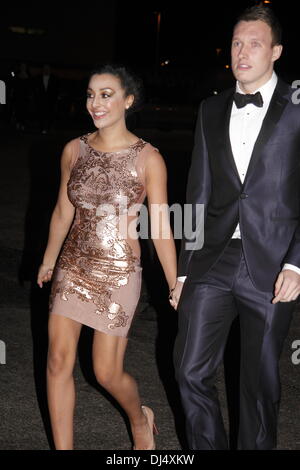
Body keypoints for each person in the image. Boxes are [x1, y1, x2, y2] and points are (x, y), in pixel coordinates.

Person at [171, 5, 300, 450]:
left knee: (258, 384)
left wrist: (297, 265)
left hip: (273, 264)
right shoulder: (210, 108)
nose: (242, 52)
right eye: (237, 43)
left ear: (276, 51)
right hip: (212, 258)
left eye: (255, 43)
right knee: (189, 370)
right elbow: (197, 193)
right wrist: (185, 269)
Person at [37, 64, 177, 450]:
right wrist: (50, 259)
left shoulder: (148, 158)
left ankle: (140, 419)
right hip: (73, 265)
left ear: (128, 101)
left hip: (118, 273)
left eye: (106, 94)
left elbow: (161, 226)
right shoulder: (74, 150)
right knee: (57, 361)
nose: (95, 103)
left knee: (105, 372)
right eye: (90, 94)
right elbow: (63, 210)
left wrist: (173, 280)